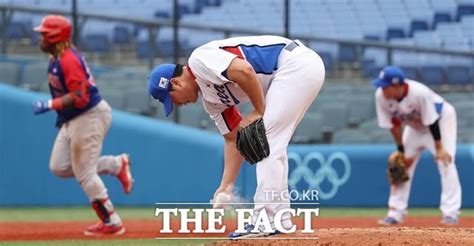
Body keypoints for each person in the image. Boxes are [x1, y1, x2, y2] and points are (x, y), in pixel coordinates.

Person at [148, 35, 325, 238]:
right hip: (292, 72)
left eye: (172, 100)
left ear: (176, 84)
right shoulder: (211, 102)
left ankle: (265, 220)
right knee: (273, 145)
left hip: (294, 63)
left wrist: (259, 110)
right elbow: (232, 138)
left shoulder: (199, 60)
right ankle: (280, 219)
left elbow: (244, 70)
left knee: (266, 140)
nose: (177, 104)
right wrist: (225, 187)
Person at [32, 15, 134, 235]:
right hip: (74, 117)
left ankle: (111, 221)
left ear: (54, 37)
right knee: (59, 166)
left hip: (89, 115)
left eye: (43, 35)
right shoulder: (56, 57)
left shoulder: (68, 59)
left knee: (85, 173)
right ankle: (116, 165)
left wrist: (51, 104)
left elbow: (80, 96)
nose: (40, 39)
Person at [373, 66, 461, 225]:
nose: (382, 89)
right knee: (401, 165)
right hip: (414, 127)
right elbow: (393, 124)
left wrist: (439, 148)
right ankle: (395, 212)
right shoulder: (381, 96)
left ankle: (451, 213)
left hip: (440, 120)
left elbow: (432, 121)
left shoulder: (419, 92)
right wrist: (401, 149)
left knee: (445, 162)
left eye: (385, 86)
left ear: (397, 85)